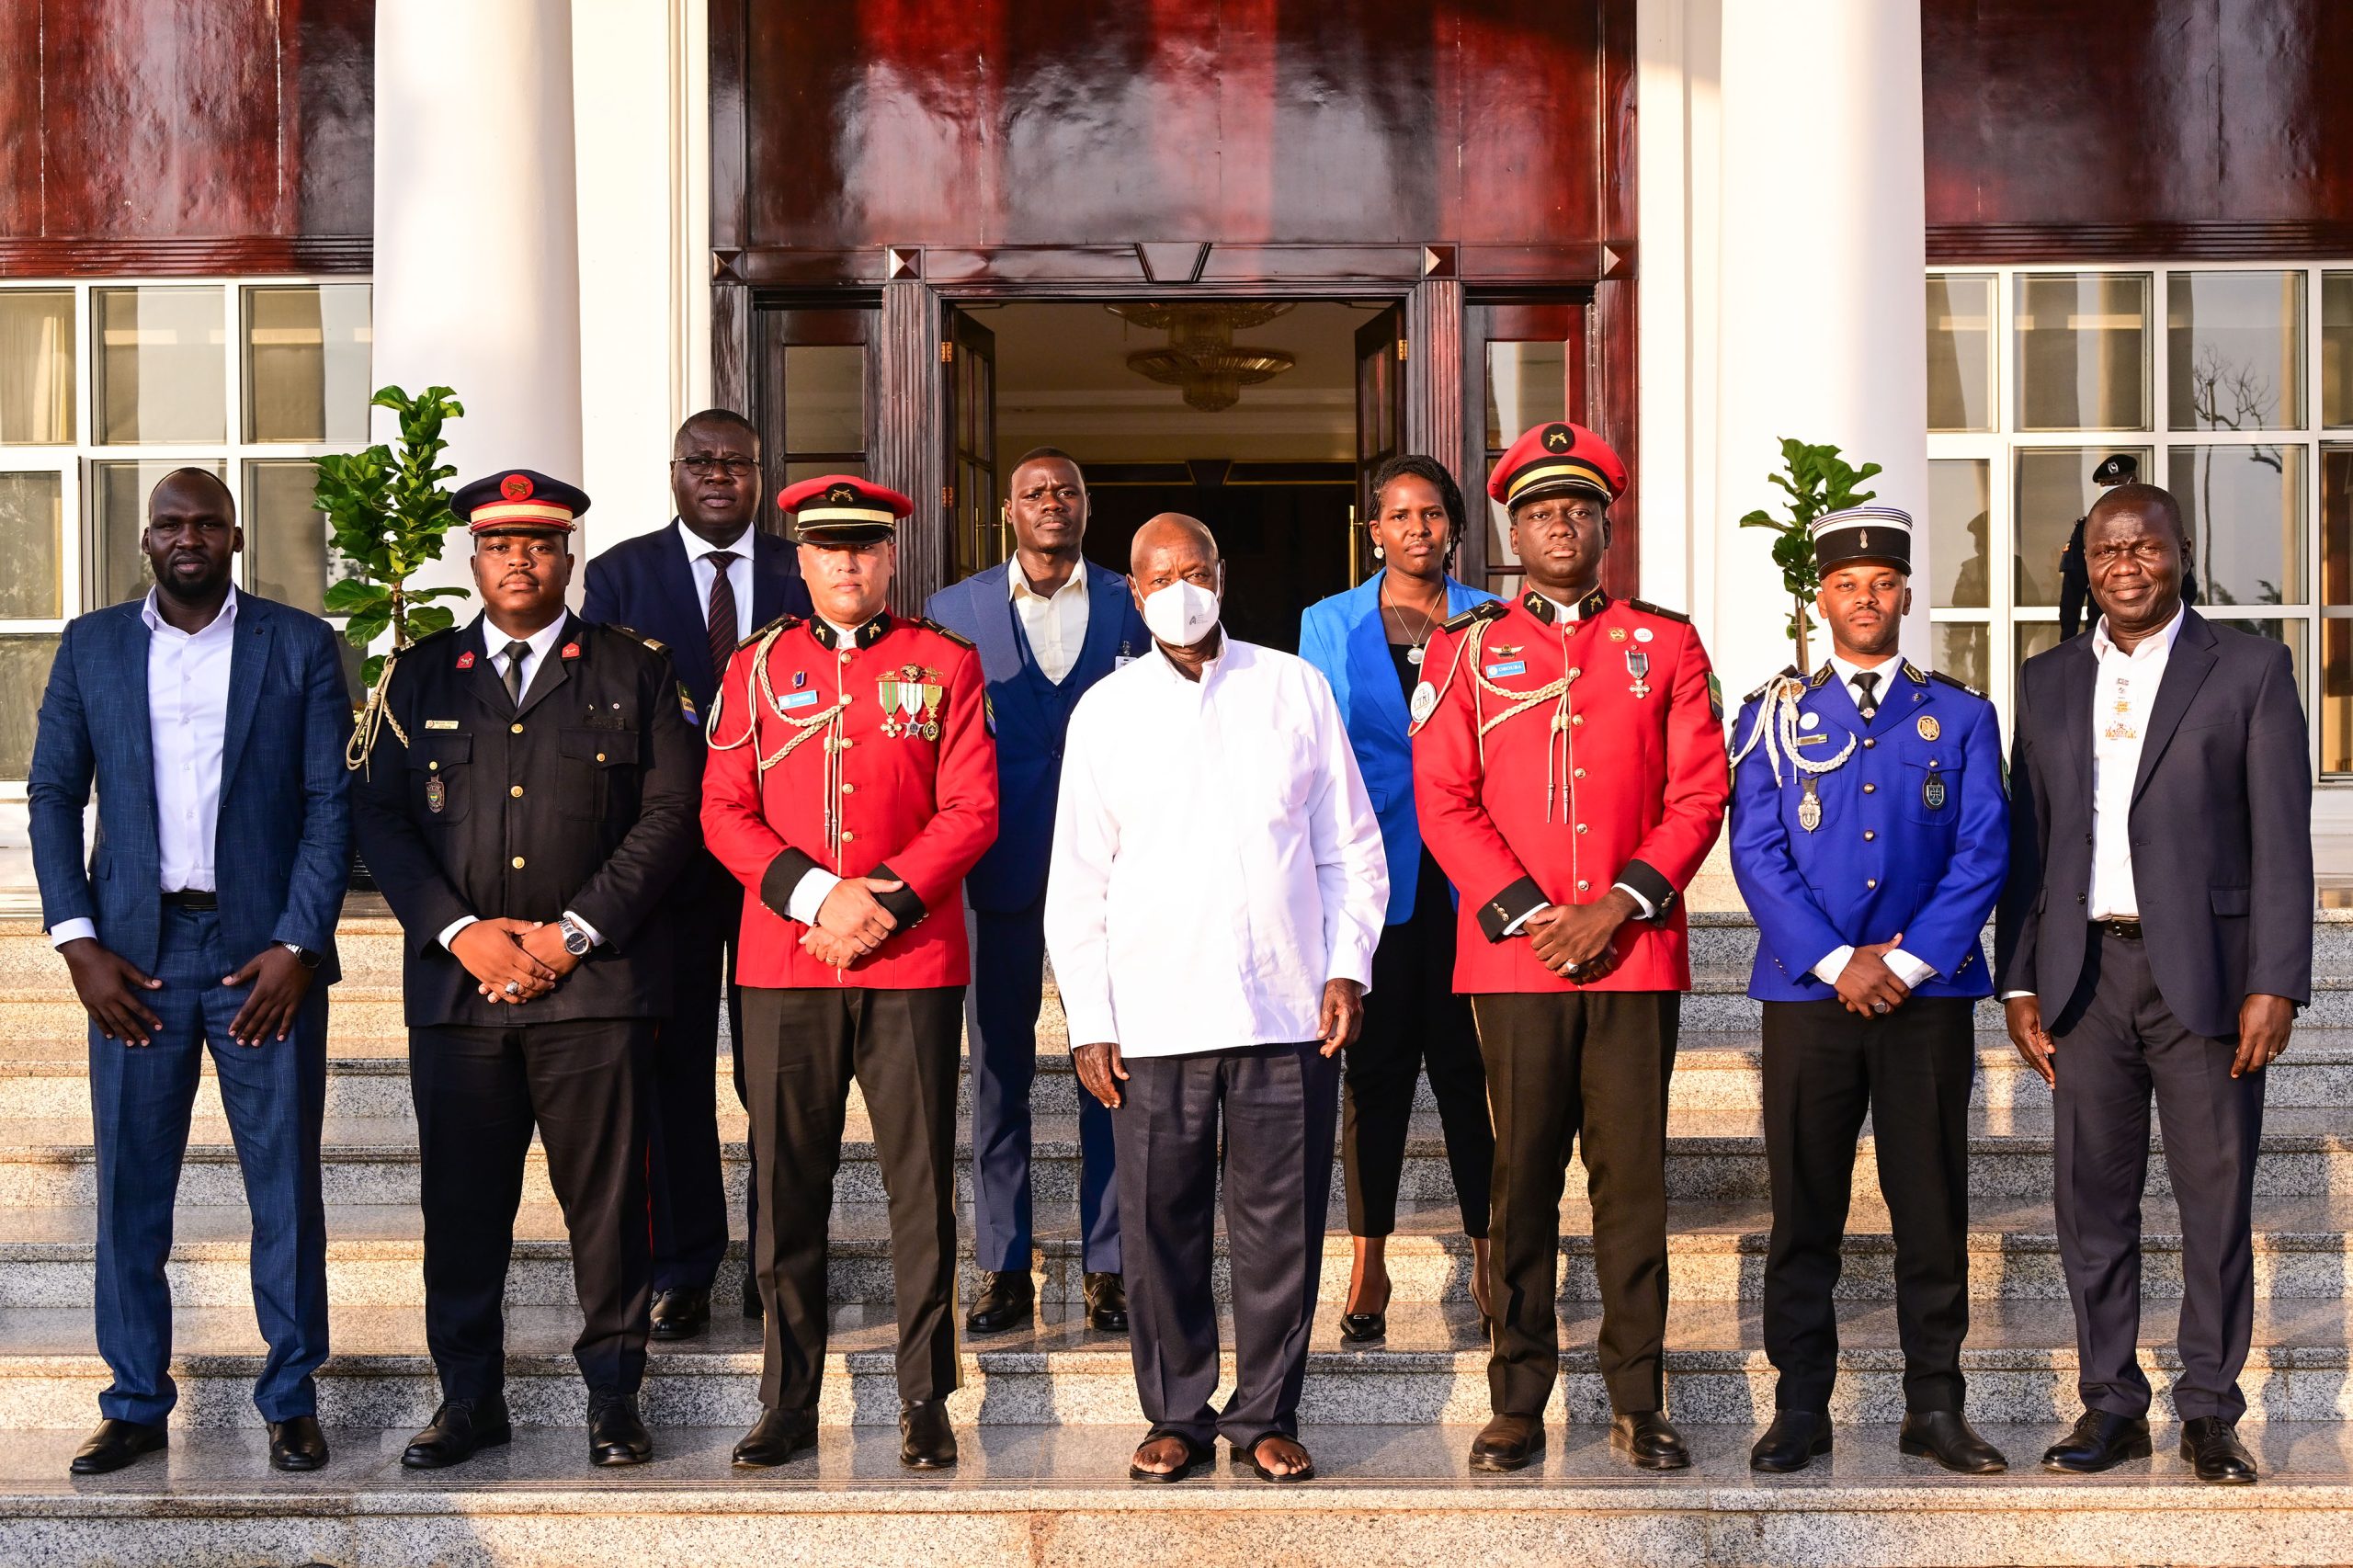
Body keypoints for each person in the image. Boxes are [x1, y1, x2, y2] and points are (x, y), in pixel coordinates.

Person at [351, 469, 703, 1471]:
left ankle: (613, 1397)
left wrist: (572, 932)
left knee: (608, 1208)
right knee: (462, 1208)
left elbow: (671, 814)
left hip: (595, 987)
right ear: (474, 557)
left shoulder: (635, 669)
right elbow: (377, 812)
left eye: (540, 543)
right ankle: (468, 1398)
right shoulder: (417, 675)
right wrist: (462, 930)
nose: (520, 558)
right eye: (501, 543)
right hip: (460, 996)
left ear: (567, 556)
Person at [1411, 420, 1729, 1474]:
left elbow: (1697, 790)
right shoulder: (1465, 647)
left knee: (1631, 1182)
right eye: (1543, 510)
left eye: (1579, 509)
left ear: (1604, 526)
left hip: (1631, 951)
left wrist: (1623, 903)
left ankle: (1638, 1396)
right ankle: (1517, 1397)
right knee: (1522, 1177)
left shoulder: (1667, 643)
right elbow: (1443, 797)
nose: (1562, 524)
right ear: (1514, 530)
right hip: (1515, 956)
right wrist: (1525, 908)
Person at [1047, 514, 1387, 1486]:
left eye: (1197, 569)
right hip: (1152, 1017)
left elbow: (1349, 848)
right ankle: (1176, 1412)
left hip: (1286, 1009)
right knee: (1159, 1222)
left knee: (1282, 1224)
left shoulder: (1292, 687)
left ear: (1223, 576)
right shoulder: (1105, 712)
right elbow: (1076, 880)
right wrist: (1091, 1018)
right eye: (1161, 576)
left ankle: (1268, 1412)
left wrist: (1345, 964)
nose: (1182, 587)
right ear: (1136, 592)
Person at [29, 469, 351, 1477]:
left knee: (284, 1184)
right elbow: (50, 796)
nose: (188, 535)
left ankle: (290, 1395)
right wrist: (77, 942)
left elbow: (328, 805)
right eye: (170, 522)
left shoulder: (297, 644)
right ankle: (134, 1400)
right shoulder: (92, 646)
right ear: (145, 540)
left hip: (262, 957)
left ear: (236, 534)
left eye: (206, 520)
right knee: (131, 1188)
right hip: (135, 956)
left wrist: (299, 945)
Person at [1996, 481, 2310, 1485]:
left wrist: (2275, 977)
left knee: (2213, 1204)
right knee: (2091, 1205)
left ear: (2182, 550)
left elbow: (2281, 839)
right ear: (2084, 564)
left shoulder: (2251, 669)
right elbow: (2026, 844)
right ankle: (2110, 1406)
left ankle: (2211, 1410)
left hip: (2209, 981)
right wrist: (2015, 981)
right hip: (2081, 976)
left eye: (2144, 546)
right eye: (2104, 550)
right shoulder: (2043, 681)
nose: (2124, 565)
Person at [703, 474, 997, 1472]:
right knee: (786, 1187)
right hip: (786, 959)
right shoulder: (755, 665)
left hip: (910, 959)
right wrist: (816, 897)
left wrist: (879, 902)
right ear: (799, 557)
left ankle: (925, 1393)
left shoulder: (944, 662)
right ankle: (788, 1396)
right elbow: (723, 808)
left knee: (919, 1185)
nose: (845, 562)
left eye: (863, 546)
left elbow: (971, 808)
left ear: (889, 558)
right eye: (827, 546)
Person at [1728, 506, 2009, 1476]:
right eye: (1847, 583)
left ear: (1903, 592)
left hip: (1922, 1001)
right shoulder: (1773, 712)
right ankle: (1799, 1403)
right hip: (1810, 1001)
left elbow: (1982, 849)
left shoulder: (1960, 713)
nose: (1866, 597)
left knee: (1929, 1205)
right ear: (1823, 595)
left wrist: (1906, 960)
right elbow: (1756, 849)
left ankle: (1934, 1403)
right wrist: (1836, 958)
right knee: (1805, 1209)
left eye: (1883, 582)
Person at [583, 408, 813, 1336]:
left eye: (737, 462)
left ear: (761, 474)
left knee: (776, 1073)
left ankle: (777, 1261)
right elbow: (599, 717)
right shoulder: (619, 576)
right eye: (701, 460)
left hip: (782, 861)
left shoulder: (807, 573)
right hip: (663, 863)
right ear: (673, 471)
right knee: (671, 1070)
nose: (719, 475)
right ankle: (683, 1263)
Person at [926, 448, 1145, 1336]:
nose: (1051, 503)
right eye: (1033, 493)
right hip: (996, 869)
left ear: (1088, 507)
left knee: (1114, 1067)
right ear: (1006, 512)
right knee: (999, 1070)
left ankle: (1110, 1261)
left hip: (1117, 875)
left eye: (1067, 490)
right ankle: (1003, 1263)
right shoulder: (954, 611)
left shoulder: (1139, 604)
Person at [1298, 454, 1496, 1342]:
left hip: (1473, 882)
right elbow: (1312, 754)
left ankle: (1490, 1255)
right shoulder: (1325, 623)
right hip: (1370, 882)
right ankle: (1368, 1259)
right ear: (1372, 530)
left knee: (1467, 1077)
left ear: (1453, 525)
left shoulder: (1494, 622)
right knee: (1372, 1081)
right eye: (1399, 515)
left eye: (1432, 513)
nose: (1417, 528)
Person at [2057, 454, 2200, 639]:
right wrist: (2068, 640)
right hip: (2103, 637)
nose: (2125, 568)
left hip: (2163, 637)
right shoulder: (2087, 529)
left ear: (2134, 480)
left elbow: (2188, 587)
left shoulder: (2159, 524)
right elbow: (2072, 592)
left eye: (2116, 481)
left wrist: (2167, 624)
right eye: (2104, 483)